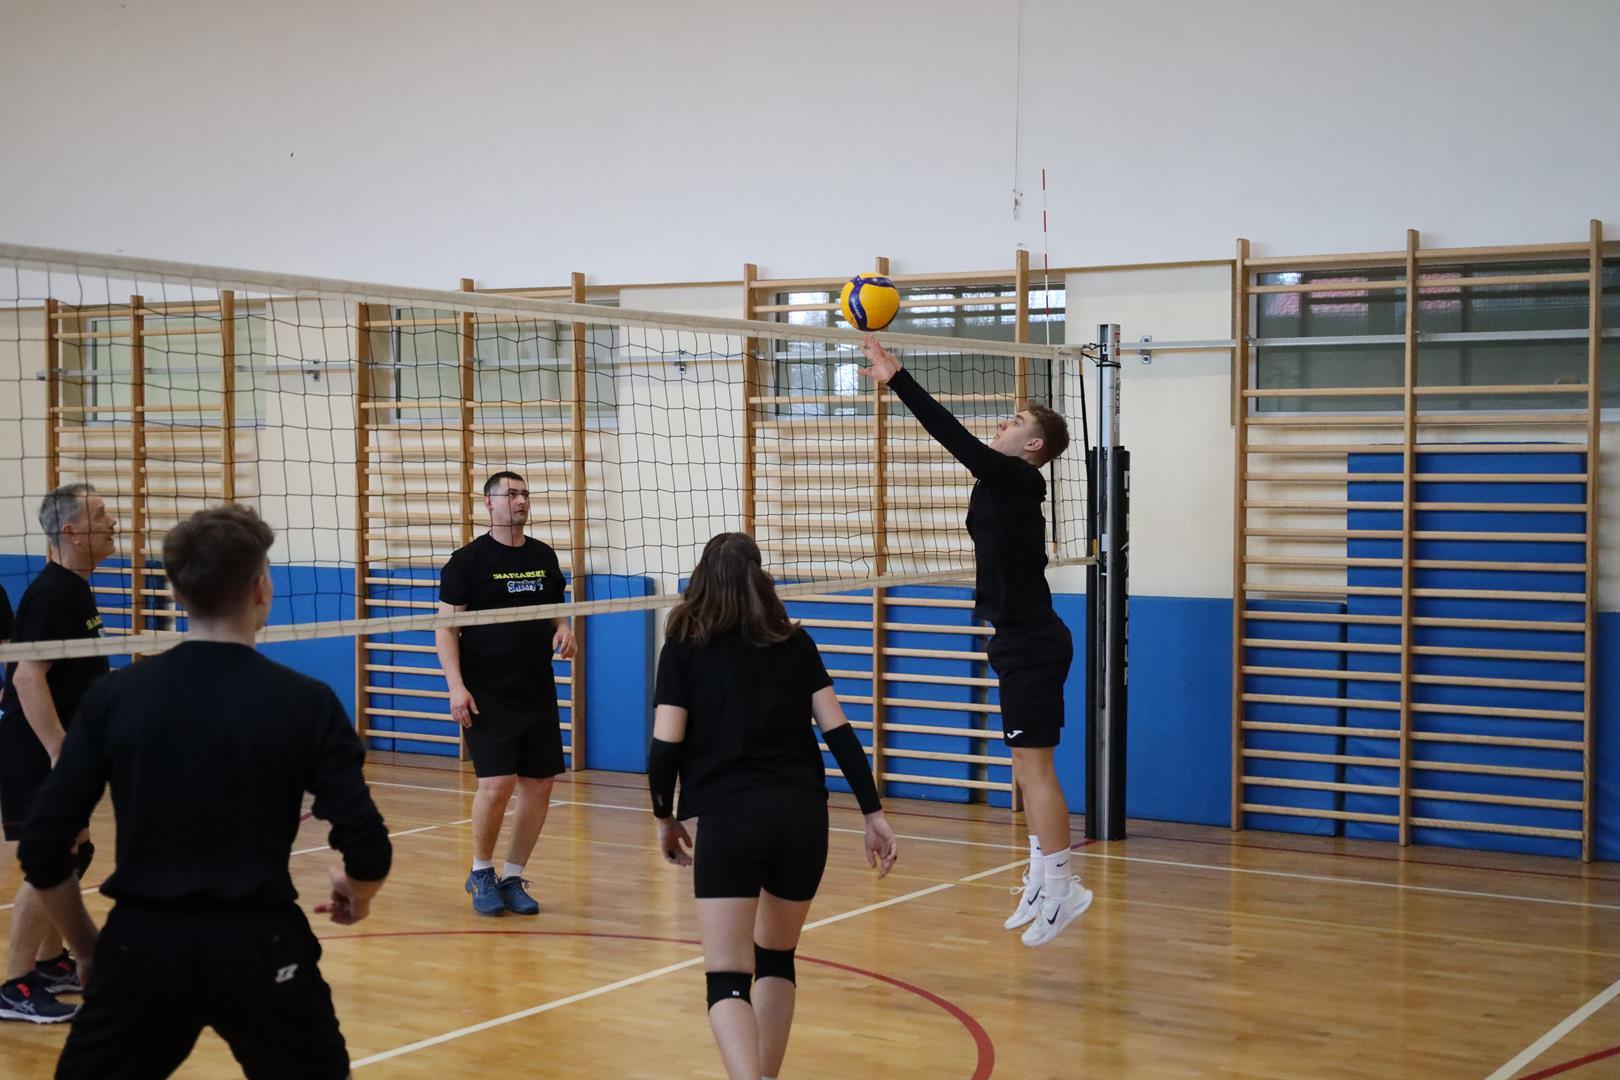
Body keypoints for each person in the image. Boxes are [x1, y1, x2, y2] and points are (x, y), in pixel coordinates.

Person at [17, 504, 393, 1077]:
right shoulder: (307, 702)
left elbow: (44, 846)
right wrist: (357, 892)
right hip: (262, 944)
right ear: (262, 588)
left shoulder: (115, 698)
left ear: (176, 592)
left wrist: (89, 948)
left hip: (142, 946)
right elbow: (368, 848)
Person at [859, 335, 1092, 947]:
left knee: (1037, 771)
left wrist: (898, 378)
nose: (1002, 423)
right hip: (1017, 640)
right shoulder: (998, 485)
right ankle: (1041, 876)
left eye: (1015, 422)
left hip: (1033, 642)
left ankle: (1064, 887)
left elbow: (953, 437)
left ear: (1033, 447)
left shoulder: (1016, 479)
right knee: (1023, 768)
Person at [649, 532, 900, 1080]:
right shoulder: (794, 642)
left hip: (731, 819)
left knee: (727, 978)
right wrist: (873, 813)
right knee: (777, 958)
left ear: (702, 579)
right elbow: (840, 734)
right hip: (802, 819)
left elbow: (665, 745)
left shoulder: (683, 647)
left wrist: (663, 816)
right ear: (759, 578)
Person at [0, 484, 118, 1022]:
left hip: (62, 750)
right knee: (52, 860)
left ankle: (49, 964)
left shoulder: (74, 589)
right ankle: (14, 985)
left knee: (76, 852)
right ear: (69, 531)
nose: (112, 522)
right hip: (38, 751)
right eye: (100, 514)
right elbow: (27, 678)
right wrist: (58, 750)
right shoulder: (53, 594)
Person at [437, 470, 575, 916]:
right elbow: (445, 629)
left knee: (540, 784)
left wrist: (563, 627)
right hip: (486, 692)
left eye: (524, 494)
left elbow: (554, 609)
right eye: (511, 494)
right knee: (496, 783)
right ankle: (481, 871)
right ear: (489, 503)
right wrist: (456, 687)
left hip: (536, 688)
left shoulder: (543, 556)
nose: (520, 501)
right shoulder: (466, 562)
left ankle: (513, 876)